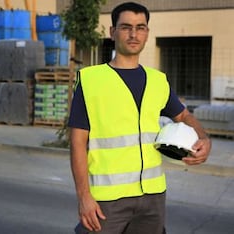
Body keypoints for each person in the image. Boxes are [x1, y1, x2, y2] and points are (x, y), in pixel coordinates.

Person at [68, 2, 212, 234]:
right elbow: (76, 142)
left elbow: (183, 115)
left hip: (152, 197)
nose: (134, 34)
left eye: (140, 27)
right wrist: (84, 197)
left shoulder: (158, 81)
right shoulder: (91, 80)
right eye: (126, 27)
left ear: (147, 33)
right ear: (112, 32)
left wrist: (204, 137)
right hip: (107, 199)